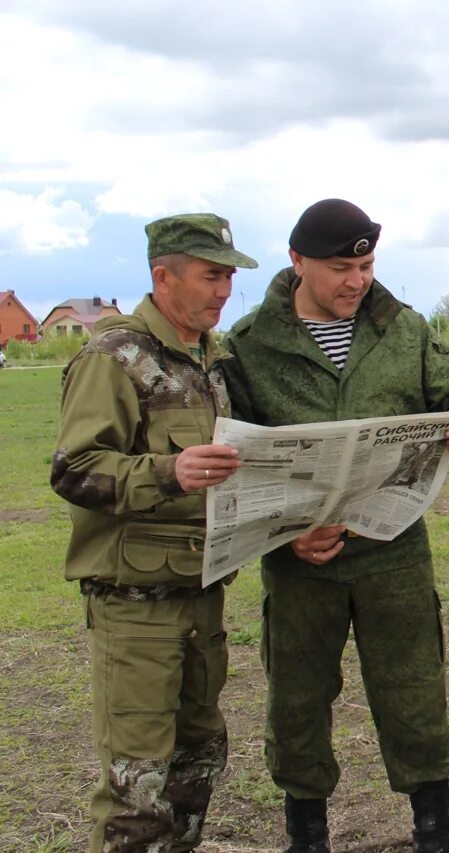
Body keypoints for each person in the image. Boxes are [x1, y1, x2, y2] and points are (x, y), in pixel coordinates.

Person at [221, 199, 449, 853]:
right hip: (299, 558)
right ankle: (306, 835)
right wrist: (285, 532)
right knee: (297, 695)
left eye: (367, 264)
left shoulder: (404, 329)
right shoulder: (251, 345)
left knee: (413, 685)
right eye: (340, 268)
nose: (356, 281)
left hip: (392, 549)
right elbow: (233, 454)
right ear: (297, 262)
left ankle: (435, 828)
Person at [50, 213, 257, 851]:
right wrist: (170, 471)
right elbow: (75, 470)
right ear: (162, 275)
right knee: (138, 788)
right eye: (211, 276)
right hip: (134, 608)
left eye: (229, 277)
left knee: (197, 764)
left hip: (201, 595)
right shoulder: (114, 358)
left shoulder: (211, 361)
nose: (223, 291)